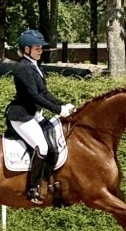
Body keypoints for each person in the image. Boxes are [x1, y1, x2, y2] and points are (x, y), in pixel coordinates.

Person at [6, 30, 76, 204]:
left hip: (34, 115)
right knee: (42, 147)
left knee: (55, 143)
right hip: (22, 116)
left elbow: (44, 92)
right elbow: (33, 96)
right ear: (27, 49)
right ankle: (32, 188)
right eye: (37, 48)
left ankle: (51, 183)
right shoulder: (22, 68)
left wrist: (63, 104)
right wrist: (57, 109)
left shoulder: (35, 66)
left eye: (40, 48)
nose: (40, 50)